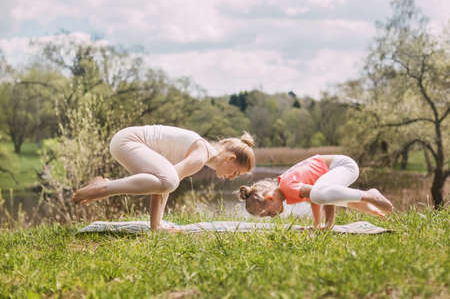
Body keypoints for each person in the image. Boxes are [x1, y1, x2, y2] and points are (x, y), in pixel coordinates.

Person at [72, 125, 255, 232]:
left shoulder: (201, 152)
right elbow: (169, 182)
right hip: (129, 141)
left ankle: (106, 187)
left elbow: (161, 186)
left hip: (123, 142)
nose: (231, 178)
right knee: (170, 181)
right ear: (230, 158)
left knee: (165, 182)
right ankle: (104, 186)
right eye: (236, 172)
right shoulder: (201, 154)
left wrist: (156, 227)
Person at [238, 154, 393, 228]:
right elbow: (326, 197)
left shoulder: (288, 187)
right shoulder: (288, 188)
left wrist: (327, 224)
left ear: (270, 198)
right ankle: (372, 204)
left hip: (343, 166)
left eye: (266, 213)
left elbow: (321, 196)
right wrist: (371, 210)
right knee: (327, 195)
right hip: (342, 168)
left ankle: (369, 195)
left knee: (320, 194)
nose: (271, 216)